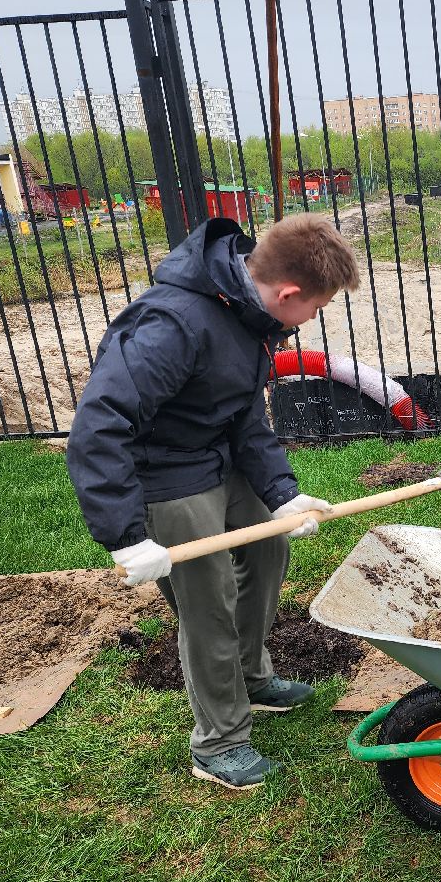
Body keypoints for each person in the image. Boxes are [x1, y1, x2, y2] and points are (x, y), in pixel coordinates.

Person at [67, 214, 359, 789]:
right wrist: (126, 537)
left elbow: (245, 416)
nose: (313, 319)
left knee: (270, 549)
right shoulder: (172, 325)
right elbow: (99, 426)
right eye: (317, 308)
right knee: (209, 599)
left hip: (216, 459)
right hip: (165, 474)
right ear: (288, 293)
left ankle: (250, 675)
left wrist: (282, 494)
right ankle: (219, 741)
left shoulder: (247, 315)